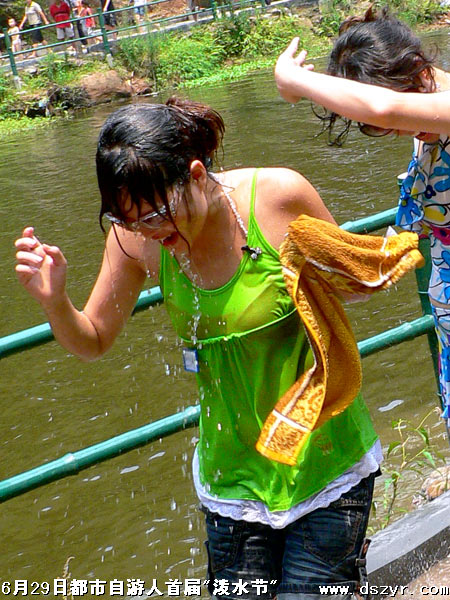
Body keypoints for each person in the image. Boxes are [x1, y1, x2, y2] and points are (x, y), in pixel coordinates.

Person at [15, 97, 382, 599]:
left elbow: (352, 286)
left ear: (195, 174)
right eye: (130, 219)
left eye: (157, 214)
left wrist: (350, 267)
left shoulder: (277, 196)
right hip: (231, 480)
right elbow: (93, 340)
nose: (150, 231)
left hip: (324, 461)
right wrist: (54, 300)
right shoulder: (134, 240)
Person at [274, 6, 450, 426]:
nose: (400, 128)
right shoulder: (426, 131)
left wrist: (291, 80)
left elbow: (385, 109)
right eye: (378, 130)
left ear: (418, 66)